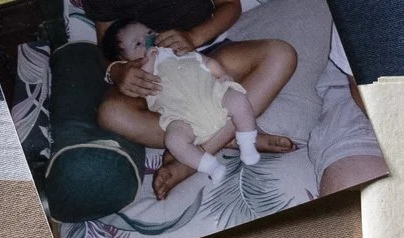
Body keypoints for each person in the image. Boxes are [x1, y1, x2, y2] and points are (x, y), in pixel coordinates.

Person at [86, 1, 300, 199]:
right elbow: (105, 46)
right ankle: (230, 136)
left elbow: (230, 5)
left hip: (208, 56)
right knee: (111, 113)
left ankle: (192, 159)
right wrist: (117, 72)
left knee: (281, 55)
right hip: (156, 84)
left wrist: (193, 37)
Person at [100, 18, 269, 177]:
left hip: (211, 95)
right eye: (138, 44)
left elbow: (205, 61)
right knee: (174, 140)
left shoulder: (176, 52)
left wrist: (222, 74)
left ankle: (247, 144)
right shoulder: (142, 70)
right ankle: (210, 167)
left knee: (238, 99)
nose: (148, 41)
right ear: (124, 60)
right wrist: (135, 65)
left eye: (150, 33)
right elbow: (143, 78)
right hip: (182, 117)